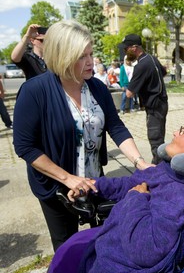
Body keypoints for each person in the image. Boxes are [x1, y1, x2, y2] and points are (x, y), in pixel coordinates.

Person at [45, 116, 184, 273]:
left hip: (124, 268)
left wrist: (137, 198)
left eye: (183, 131)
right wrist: (94, 185)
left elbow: (148, 249)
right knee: (67, 251)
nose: (174, 133)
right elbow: (133, 182)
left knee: (64, 264)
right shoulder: (175, 171)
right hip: (119, 237)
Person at [12, 20, 152, 252]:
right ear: (62, 56)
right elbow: (25, 147)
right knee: (67, 248)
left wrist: (139, 162)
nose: (90, 62)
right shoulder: (34, 91)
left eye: (91, 53)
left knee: (103, 239)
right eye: (81, 56)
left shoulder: (97, 87)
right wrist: (68, 178)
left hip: (95, 180)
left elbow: (115, 127)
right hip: (56, 187)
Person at [124, 34, 168, 164]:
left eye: (126, 49)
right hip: (162, 103)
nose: (125, 52)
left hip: (154, 106)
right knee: (159, 136)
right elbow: (163, 72)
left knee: (155, 139)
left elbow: (129, 93)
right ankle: (161, 162)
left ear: (134, 48)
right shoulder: (152, 58)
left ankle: (159, 168)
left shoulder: (141, 65)